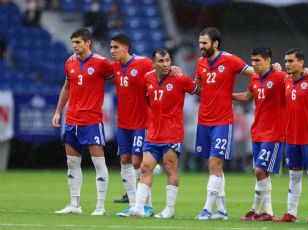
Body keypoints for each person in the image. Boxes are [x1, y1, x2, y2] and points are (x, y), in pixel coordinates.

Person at [126, 48, 199, 218]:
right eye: (161, 61)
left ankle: (169, 210)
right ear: (153, 64)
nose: (166, 64)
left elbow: (200, 91)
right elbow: (148, 99)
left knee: (169, 168)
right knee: (145, 167)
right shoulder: (148, 78)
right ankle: (138, 207)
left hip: (172, 134)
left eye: (168, 60)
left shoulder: (180, 78)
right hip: (153, 133)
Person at [193, 27, 254, 220]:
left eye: (204, 43)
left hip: (223, 120)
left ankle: (207, 209)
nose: (201, 46)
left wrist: (249, 94)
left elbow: (256, 73)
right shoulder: (201, 63)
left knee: (214, 162)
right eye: (200, 42)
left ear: (215, 43)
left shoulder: (230, 60)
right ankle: (222, 210)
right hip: (203, 119)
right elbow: (197, 87)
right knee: (213, 166)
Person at [52, 28, 114, 216]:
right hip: (71, 120)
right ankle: (75, 204)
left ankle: (100, 206)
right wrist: (57, 112)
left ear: (88, 43)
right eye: (73, 43)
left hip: (92, 120)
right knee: (72, 163)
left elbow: (121, 76)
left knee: (98, 163)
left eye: (78, 42)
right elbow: (67, 87)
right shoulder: (69, 63)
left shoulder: (102, 63)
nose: (75, 46)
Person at [274, 49, 308, 225]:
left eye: (291, 61)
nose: (287, 64)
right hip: (291, 136)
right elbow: (275, 72)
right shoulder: (287, 81)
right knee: (294, 176)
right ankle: (291, 213)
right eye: (285, 61)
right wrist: (275, 68)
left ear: (301, 63)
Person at [233, 46, 287, 221]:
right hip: (258, 131)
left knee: (259, 170)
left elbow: (296, 82)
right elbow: (248, 97)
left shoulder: (279, 77)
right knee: (262, 173)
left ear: (269, 61)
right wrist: (228, 95)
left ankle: (257, 210)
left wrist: (286, 70)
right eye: (252, 60)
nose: (254, 64)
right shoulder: (255, 78)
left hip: (274, 132)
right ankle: (266, 213)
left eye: (258, 60)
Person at [109, 33, 154, 216]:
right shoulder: (115, 67)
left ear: (125, 48)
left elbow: (161, 73)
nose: (112, 51)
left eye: (115, 47)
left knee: (138, 162)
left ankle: (147, 206)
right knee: (125, 161)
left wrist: (173, 69)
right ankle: (135, 204)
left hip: (141, 122)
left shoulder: (143, 63)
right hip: (123, 123)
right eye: (110, 47)